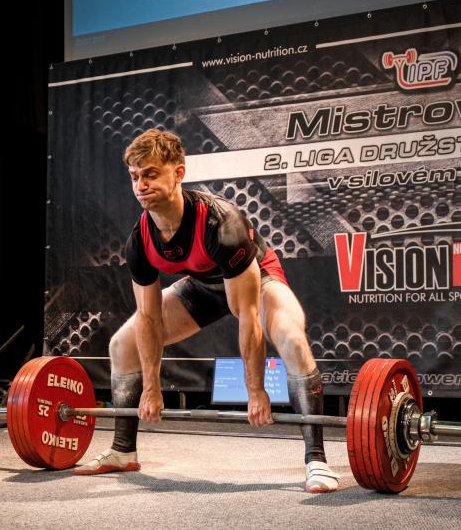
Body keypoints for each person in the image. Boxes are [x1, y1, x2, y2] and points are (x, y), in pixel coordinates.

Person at [74, 129, 339, 493]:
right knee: (123, 344)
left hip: (258, 280)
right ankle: (123, 450)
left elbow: (247, 313)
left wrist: (256, 390)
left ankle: (316, 459)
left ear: (178, 173)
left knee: (292, 340)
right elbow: (149, 317)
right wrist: (151, 387)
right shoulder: (140, 239)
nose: (140, 186)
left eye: (150, 174)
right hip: (202, 285)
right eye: (134, 177)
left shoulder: (220, 222)